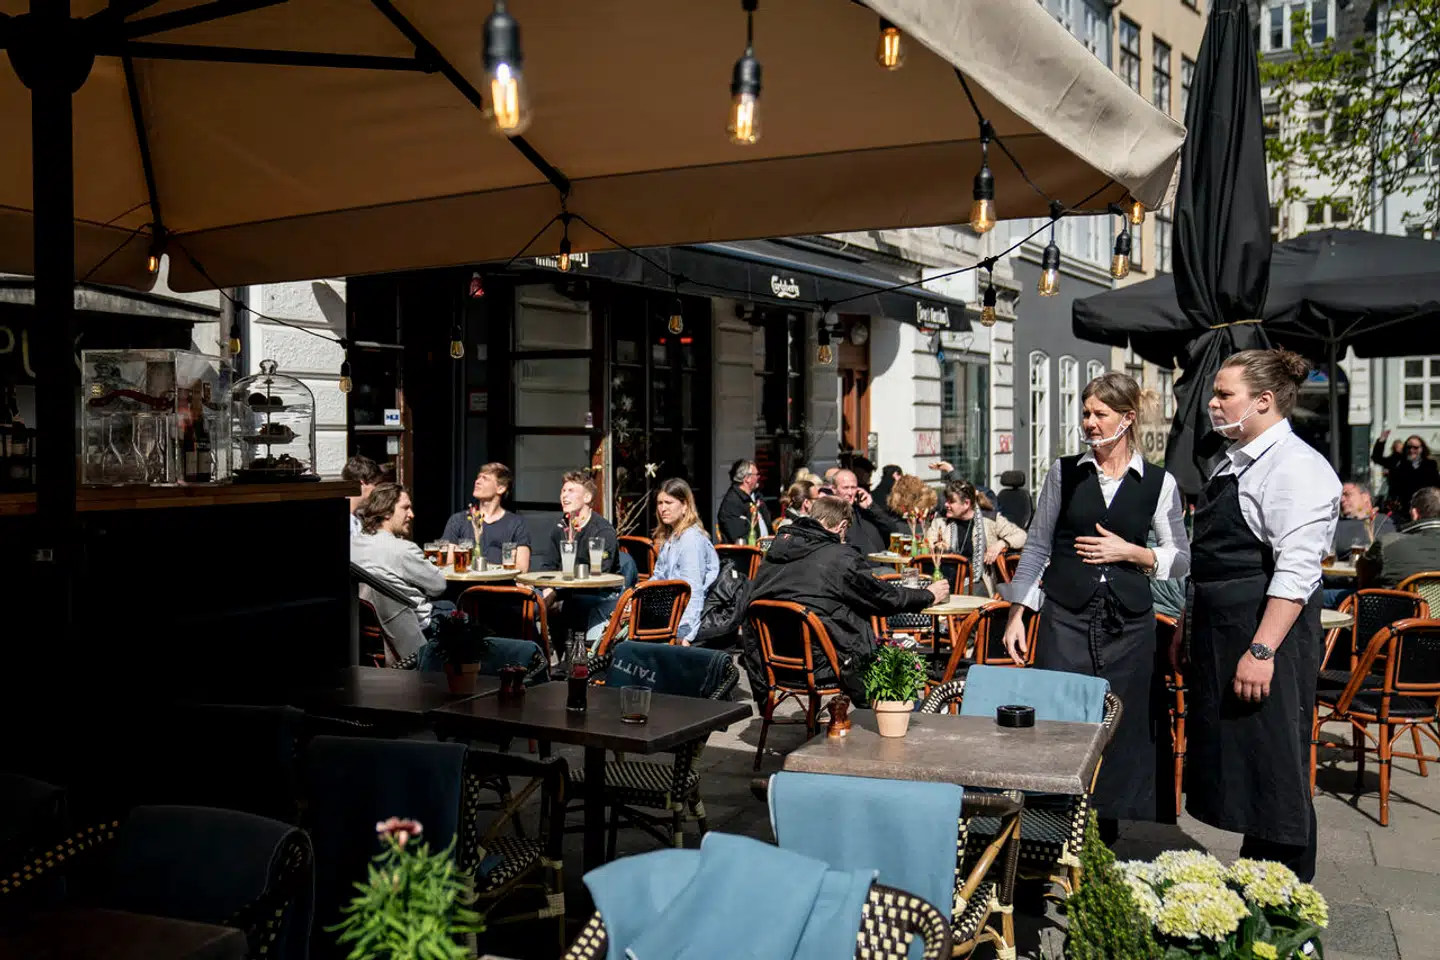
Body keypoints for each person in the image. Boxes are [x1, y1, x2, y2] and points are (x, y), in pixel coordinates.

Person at [1001, 372, 1189, 841]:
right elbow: (1038, 547)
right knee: (1060, 717)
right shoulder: (1063, 473)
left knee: (1120, 723)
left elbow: (1181, 558)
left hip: (1129, 623)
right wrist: (1018, 613)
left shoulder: (1160, 483)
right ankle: (1052, 822)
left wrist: (1133, 554)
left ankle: (1103, 830)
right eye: (1085, 413)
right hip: (1065, 615)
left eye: (1099, 414)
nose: (1088, 422)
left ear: (1127, 420)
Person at [1177, 349, 1340, 884]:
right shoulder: (1236, 460)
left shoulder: (1296, 467)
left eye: (1225, 394)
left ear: (1264, 401)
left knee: (1276, 768)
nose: (1213, 403)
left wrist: (1263, 649)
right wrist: (1187, 622)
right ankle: (1255, 878)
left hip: (1263, 639)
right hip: (1225, 633)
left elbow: (1297, 572)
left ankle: (1285, 901)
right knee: (1249, 765)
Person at [750, 496, 949, 701]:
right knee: (895, 667)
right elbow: (882, 598)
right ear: (842, 526)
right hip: (826, 663)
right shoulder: (839, 557)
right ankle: (895, 718)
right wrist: (928, 594)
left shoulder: (775, 552)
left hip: (774, 661)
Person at [351, 483, 449, 660]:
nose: (411, 515)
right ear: (386, 512)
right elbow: (438, 585)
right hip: (410, 628)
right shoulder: (403, 550)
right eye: (406, 508)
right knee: (454, 613)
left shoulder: (352, 546)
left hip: (369, 634)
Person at [545, 470, 621, 642]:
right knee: (532, 600)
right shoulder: (560, 528)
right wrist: (548, 591)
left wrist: (557, 595)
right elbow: (547, 566)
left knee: (571, 605)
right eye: (563, 491)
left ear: (587, 498)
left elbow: (600, 576)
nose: (564, 495)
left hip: (600, 594)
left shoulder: (602, 531)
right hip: (567, 591)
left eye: (571, 491)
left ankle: (572, 659)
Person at [925, 480, 1028, 595]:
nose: (946, 505)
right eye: (946, 501)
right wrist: (937, 546)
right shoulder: (941, 520)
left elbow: (1022, 536)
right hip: (945, 576)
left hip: (977, 579)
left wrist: (1001, 544)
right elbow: (928, 542)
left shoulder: (990, 519)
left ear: (966, 504)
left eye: (951, 502)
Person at [651, 478, 721, 643]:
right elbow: (659, 577)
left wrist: (684, 634)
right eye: (660, 503)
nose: (663, 508)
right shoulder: (671, 536)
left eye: (669, 502)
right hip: (667, 611)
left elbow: (693, 591)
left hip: (683, 620)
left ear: (685, 506)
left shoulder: (690, 540)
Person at [439, 462, 532, 571]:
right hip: (465, 585)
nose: (477, 481)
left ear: (501, 488)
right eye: (478, 477)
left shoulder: (516, 523)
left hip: (501, 586)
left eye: (485, 478)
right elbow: (448, 563)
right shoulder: (458, 520)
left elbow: (522, 568)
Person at [1358, 486, 1440, 588]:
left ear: (1414, 513)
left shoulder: (1388, 543)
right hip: (1435, 603)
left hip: (1393, 603)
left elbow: (1363, 579)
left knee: (1333, 596)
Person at [833, 468, 898, 560]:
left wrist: (871, 507)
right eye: (845, 488)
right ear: (834, 489)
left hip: (882, 566)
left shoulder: (865, 511)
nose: (850, 492)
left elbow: (892, 529)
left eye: (853, 487)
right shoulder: (830, 513)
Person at [1372, 430, 1440, 515]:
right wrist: (1381, 441)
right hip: (1401, 508)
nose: (1412, 450)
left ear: (1422, 448)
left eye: (1415, 447)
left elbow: (1436, 484)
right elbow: (1376, 458)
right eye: (1409, 447)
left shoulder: (1430, 464)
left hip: (1423, 506)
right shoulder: (1397, 460)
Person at [716, 459, 774, 544]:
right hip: (747, 553)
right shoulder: (732, 503)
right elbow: (740, 539)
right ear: (747, 478)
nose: (759, 477)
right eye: (756, 474)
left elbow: (769, 525)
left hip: (766, 547)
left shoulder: (756, 497)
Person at [1332, 480, 1396, 556]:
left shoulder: (1385, 522)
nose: (1342, 500)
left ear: (1365, 497)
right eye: (1341, 496)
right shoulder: (1335, 526)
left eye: (1347, 494)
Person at [342, 455, 382, 537]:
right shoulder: (340, 520)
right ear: (362, 482)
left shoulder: (359, 518)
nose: (378, 489)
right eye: (376, 484)